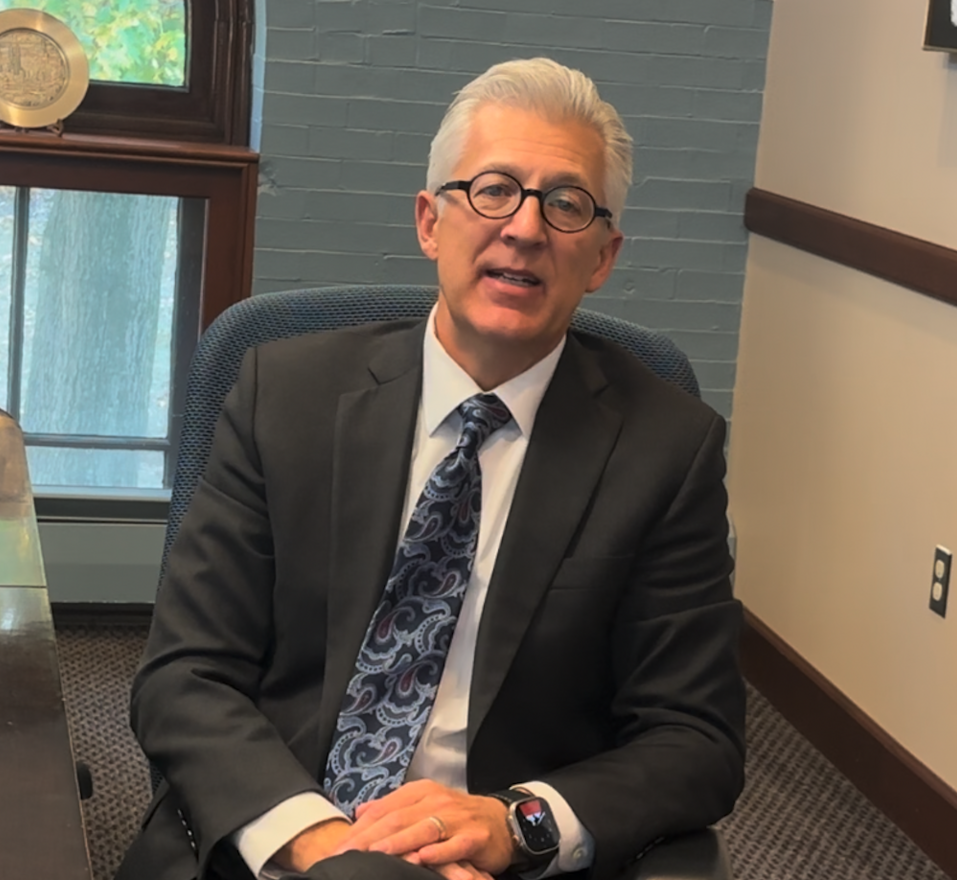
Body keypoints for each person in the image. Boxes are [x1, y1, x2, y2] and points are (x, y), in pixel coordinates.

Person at [116, 57, 744, 880]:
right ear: (429, 221)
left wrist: (516, 823)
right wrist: (322, 842)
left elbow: (695, 737)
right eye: (492, 190)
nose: (524, 228)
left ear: (602, 256)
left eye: (565, 204)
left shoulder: (666, 448)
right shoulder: (285, 395)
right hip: (289, 836)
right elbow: (185, 673)